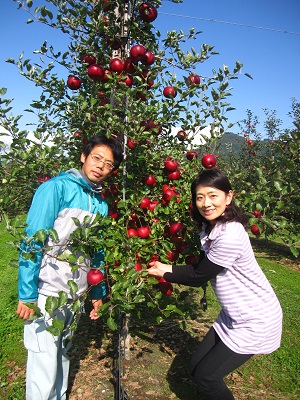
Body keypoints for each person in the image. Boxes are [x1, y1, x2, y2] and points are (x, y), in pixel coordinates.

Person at [148, 168, 283, 400]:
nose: (206, 203)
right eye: (200, 197)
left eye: (213, 195)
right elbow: (201, 265)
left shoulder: (230, 235)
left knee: (206, 377)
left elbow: (198, 275)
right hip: (234, 315)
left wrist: (165, 272)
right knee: (194, 369)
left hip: (256, 319)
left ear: (228, 197)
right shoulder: (212, 228)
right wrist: (165, 268)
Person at [16, 134, 123, 400]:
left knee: (62, 353)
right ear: (84, 157)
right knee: (43, 361)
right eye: (97, 158)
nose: (100, 166)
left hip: (74, 294)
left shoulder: (100, 203)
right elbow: (32, 239)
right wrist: (27, 293)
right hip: (47, 289)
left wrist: (97, 294)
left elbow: (97, 251)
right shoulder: (56, 188)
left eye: (108, 164)